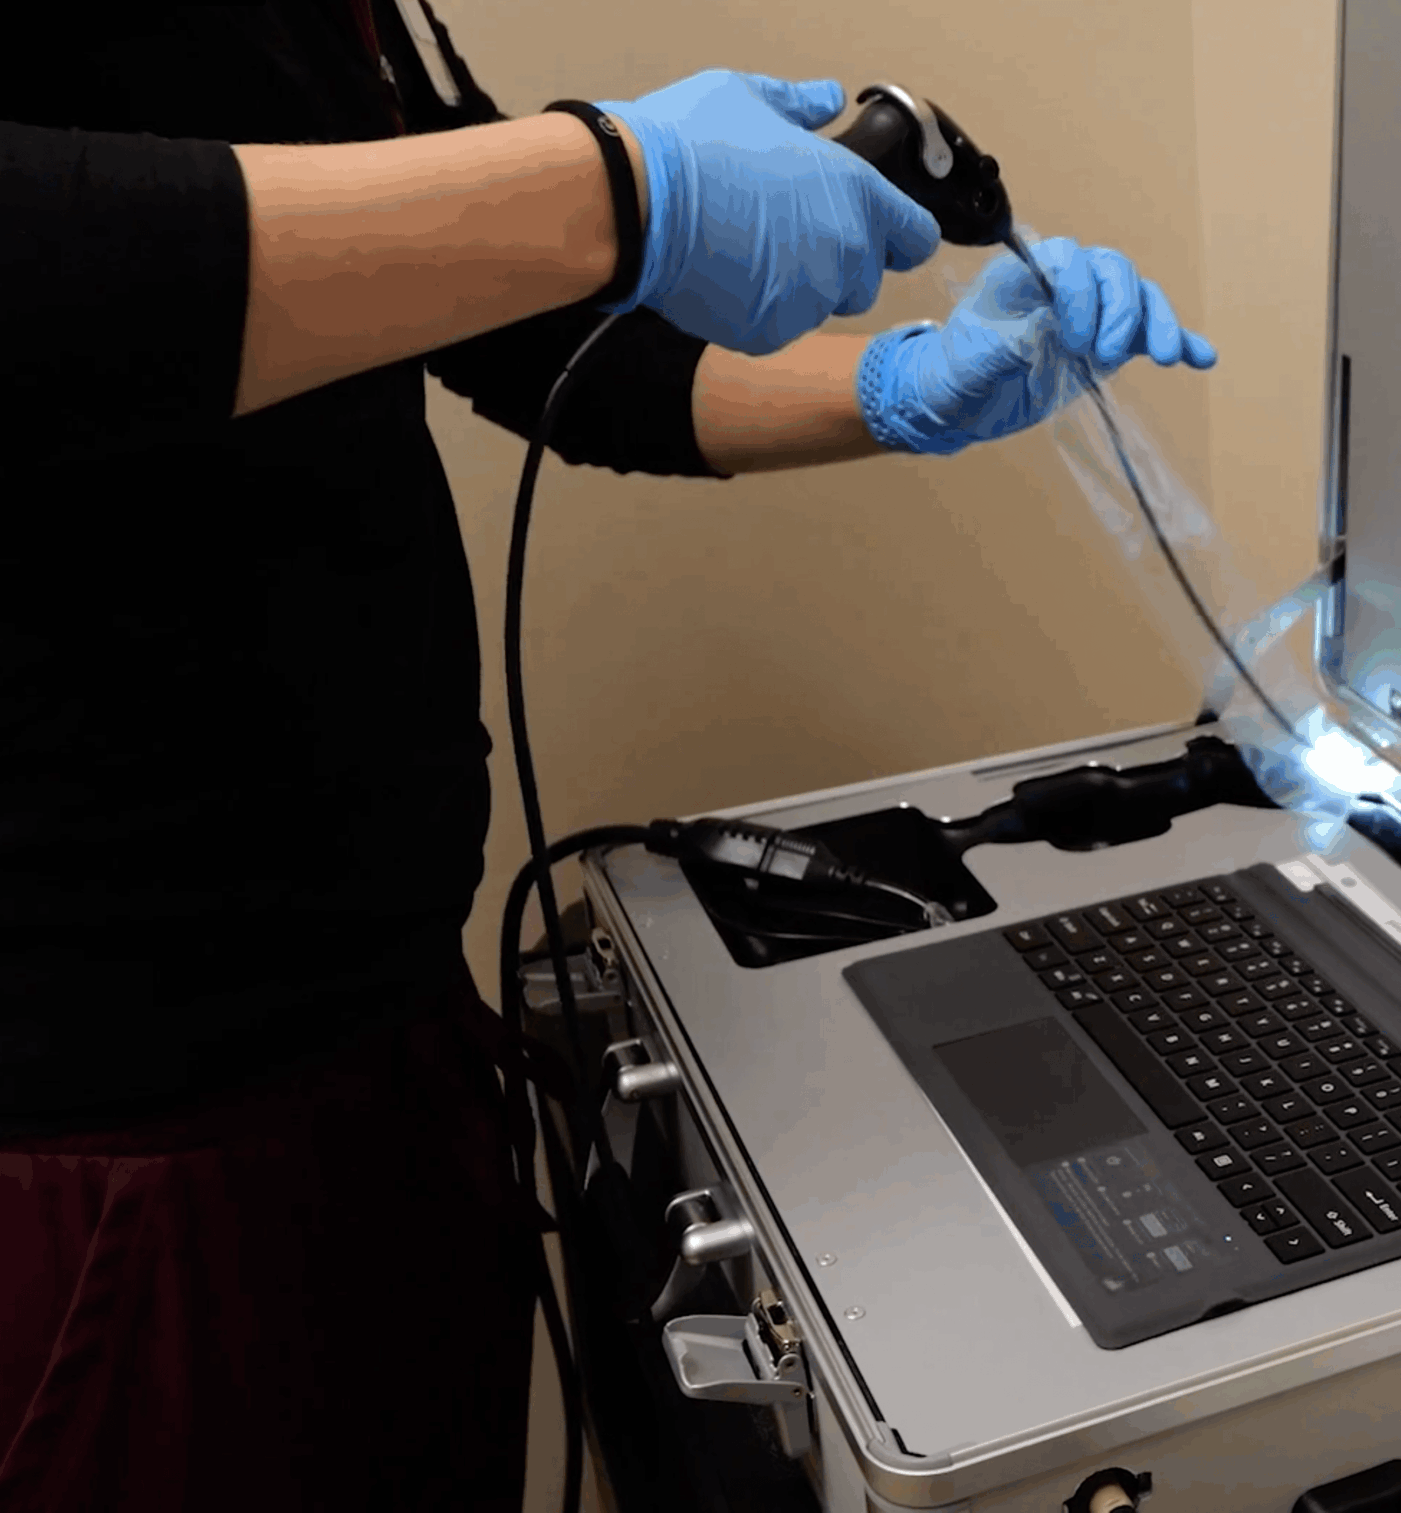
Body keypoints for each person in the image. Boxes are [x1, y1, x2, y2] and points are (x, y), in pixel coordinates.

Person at [0, 5, 1214, 1507]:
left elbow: (494, 311)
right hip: (106, 1148)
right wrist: (615, 185)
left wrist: (896, 387)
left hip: (376, 1037)